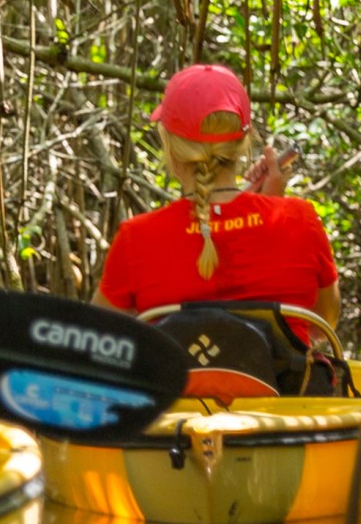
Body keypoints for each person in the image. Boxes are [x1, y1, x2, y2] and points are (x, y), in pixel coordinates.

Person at [96, 64, 341, 330]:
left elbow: (96, 337)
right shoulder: (297, 219)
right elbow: (323, 323)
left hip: (180, 374)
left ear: (170, 145)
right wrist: (273, 206)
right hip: (280, 375)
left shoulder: (137, 239)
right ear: (245, 139)